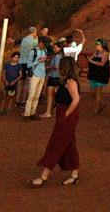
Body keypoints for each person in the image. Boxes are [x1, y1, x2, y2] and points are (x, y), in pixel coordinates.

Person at [31, 56, 81, 186]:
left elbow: (76, 99)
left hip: (67, 114)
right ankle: (75, 174)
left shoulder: (70, 81)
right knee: (68, 143)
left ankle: (44, 176)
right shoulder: (64, 81)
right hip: (63, 112)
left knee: (57, 142)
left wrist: (66, 114)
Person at [23, 36, 49, 119]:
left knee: (37, 96)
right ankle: (27, 114)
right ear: (40, 42)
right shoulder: (33, 51)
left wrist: (45, 60)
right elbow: (28, 64)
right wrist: (39, 61)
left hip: (42, 74)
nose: (45, 46)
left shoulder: (45, 50)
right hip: (34, 75)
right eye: (44, 44)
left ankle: (33, 113)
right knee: (31, 95)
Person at [87, 39, 110, 115]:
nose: (97, 46)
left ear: (103, 45)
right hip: (94, 74)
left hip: (101, 75)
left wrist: (91, 61)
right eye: (96, 44)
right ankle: (102, 102)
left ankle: (97, 108)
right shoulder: (96, 52)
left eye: (98, 45)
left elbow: (102, 64)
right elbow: (91, 59)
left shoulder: (106, 53)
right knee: (92, 91)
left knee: (98, 91)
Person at [17, 26, 39, 105]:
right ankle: (23, 100)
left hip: (20, 62)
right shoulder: (34, 41)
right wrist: (36, 39)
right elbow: (38, 48)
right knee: (27, 81)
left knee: (20, 81)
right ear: (35, 32)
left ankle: (17, 100)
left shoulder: (24, 39)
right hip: (28, 63)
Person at [43, 38, 64, 118]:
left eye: (55, 48)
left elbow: (56, 67)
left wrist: (48, 67)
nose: (54, 49)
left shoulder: (57, 56)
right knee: (56, 95)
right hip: (57, 77)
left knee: (50, 95)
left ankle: (48, 111)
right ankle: (56, 110)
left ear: (59, 48)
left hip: (54, 76)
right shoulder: (59, 56)